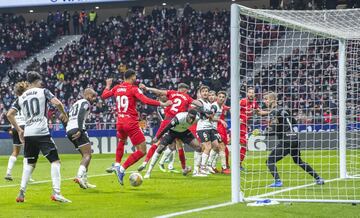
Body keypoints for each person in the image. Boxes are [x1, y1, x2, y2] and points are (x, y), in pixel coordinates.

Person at [7, 71, 70, 203]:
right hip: (41, 131)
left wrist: (19, 130)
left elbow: (9, 114)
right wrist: (64, 113)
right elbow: (57, 103)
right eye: (40, 81)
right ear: (37, 81)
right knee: (55, 161)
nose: (41, 83)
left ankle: (21, 193)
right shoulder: (43, 91)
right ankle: (56, 192)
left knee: (30, 164)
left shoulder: (21, 97)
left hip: (28, 133)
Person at [101, 69, 171, 185]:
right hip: (131, 123)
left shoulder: (117, 88)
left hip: (119, 122)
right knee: (142, 150)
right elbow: (145, 100)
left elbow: (104, 95)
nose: (136, 78)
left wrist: (108, 85)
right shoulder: (133, 88)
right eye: (135, 76)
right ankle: (121, 169)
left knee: (122, 141)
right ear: (132, 77)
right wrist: (162, 104)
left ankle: (117, 164)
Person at [262, 92, 325, 187]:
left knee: (270, 161)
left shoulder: (274, 112)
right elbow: (294, 122)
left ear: (272, 100)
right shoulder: (285, 110)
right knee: (298, 161)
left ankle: (278, 181)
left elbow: (275, 130)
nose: (264, 101)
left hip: (286, 141)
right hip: (295, 139)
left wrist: (263, 133)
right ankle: (318, 178)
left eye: (266, 99)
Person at [137, 83, 199, 173]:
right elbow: (194, 104)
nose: (163, 96)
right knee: (161, 144)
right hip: (171, 124)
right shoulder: (170, 103)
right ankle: (148, 163)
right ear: (184, 90)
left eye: (163, 95)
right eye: (161, 96)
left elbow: (158, 92)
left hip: (172, 123)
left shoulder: (171, 97)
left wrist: (147, 88)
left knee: (174, 146)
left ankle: (175, 166)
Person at [144, 109, 201, 179]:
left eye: (193, 118)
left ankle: (196, 172)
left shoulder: (197, 118)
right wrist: (158, 137)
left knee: (199, 147)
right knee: (160, 148)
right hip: (172, 132)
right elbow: (167, 127)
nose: (191, 120)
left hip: (184, 132)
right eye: (190, 117)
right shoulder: (179, 118)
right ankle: (148, 172)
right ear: (187, 115)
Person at [66, 88, 97, 189]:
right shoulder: (85, 102)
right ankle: (79, 177)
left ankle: (85, 181)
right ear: (87, 95)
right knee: (88, 155)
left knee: (85, 156)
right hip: (77, 129)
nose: (94, 98)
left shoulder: (75, 103)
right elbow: (80, 115)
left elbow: (65, 116)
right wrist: (79, 129)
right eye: (93, 96)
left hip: (69, 129)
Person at [4, 81, 34, 182]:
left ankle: (8, 172)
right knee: (28, 152)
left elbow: (10, 114)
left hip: (15, 127)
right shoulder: (26, 100)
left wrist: (13, 128)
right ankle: (27, 176)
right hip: (25, 126)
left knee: (15, 151)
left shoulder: (14, 102)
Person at [195, 85, 219, 176]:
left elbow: (210, 116)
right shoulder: (199, 102)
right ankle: (201, 168)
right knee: (207, 147)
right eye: (203, 91)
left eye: (206, 91)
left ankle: (207, 165)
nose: (205, 93)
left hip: (210, 127)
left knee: (216, 146)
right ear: (200, 93)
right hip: (202, 128)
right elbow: (198, 110)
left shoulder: (209, 104)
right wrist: (206, 113)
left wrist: (210, 114)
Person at [206, 91, 231, 174]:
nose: (221, 98)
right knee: (221, 147)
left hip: (214, 129)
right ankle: (223, 168)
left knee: (217, 148)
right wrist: (220, 120)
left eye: (223, 97)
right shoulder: (215, 106)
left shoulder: (221, 106)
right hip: (212, 129)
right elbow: (210, 117)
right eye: (219, 96)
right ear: (217, 97)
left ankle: (210, 166)